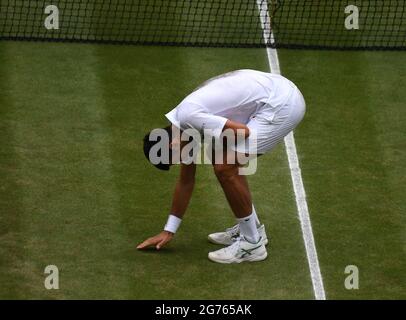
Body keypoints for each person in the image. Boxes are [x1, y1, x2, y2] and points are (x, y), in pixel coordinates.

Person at [137, 69, 306, 264]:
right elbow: (186, 181)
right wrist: (169, 230)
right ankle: (251, 228)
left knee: (225, 167)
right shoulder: (182, 128)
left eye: (175, 158)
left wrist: (218, 143)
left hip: (282, 104)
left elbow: (243, 132)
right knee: (222, 156)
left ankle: (252, 244)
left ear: (170, 145)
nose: (183, 160)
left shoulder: (189, 118)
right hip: (274, 91)